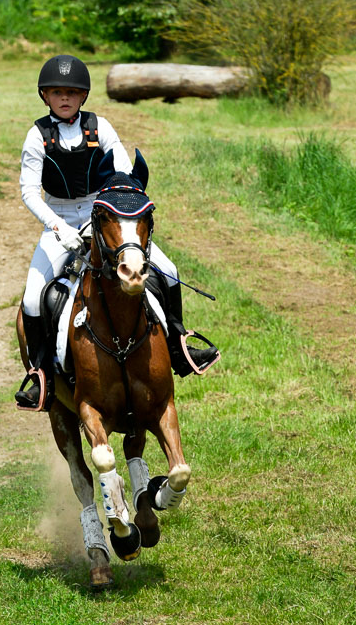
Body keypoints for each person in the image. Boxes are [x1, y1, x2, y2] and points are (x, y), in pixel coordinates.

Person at [15, 54, 219, 411]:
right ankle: (41, 374)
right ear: (45, 96)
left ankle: (179, 347)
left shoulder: (101, 127)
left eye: (73, 93)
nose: (65, 98)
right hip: (59, 218)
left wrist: (114, 208)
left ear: (84, 96)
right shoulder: (37, 136)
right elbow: (29, 191)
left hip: (101, 212)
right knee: (33, 297)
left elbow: (123, 172)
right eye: (57, 92)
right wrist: (58, 227)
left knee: (168, 271)